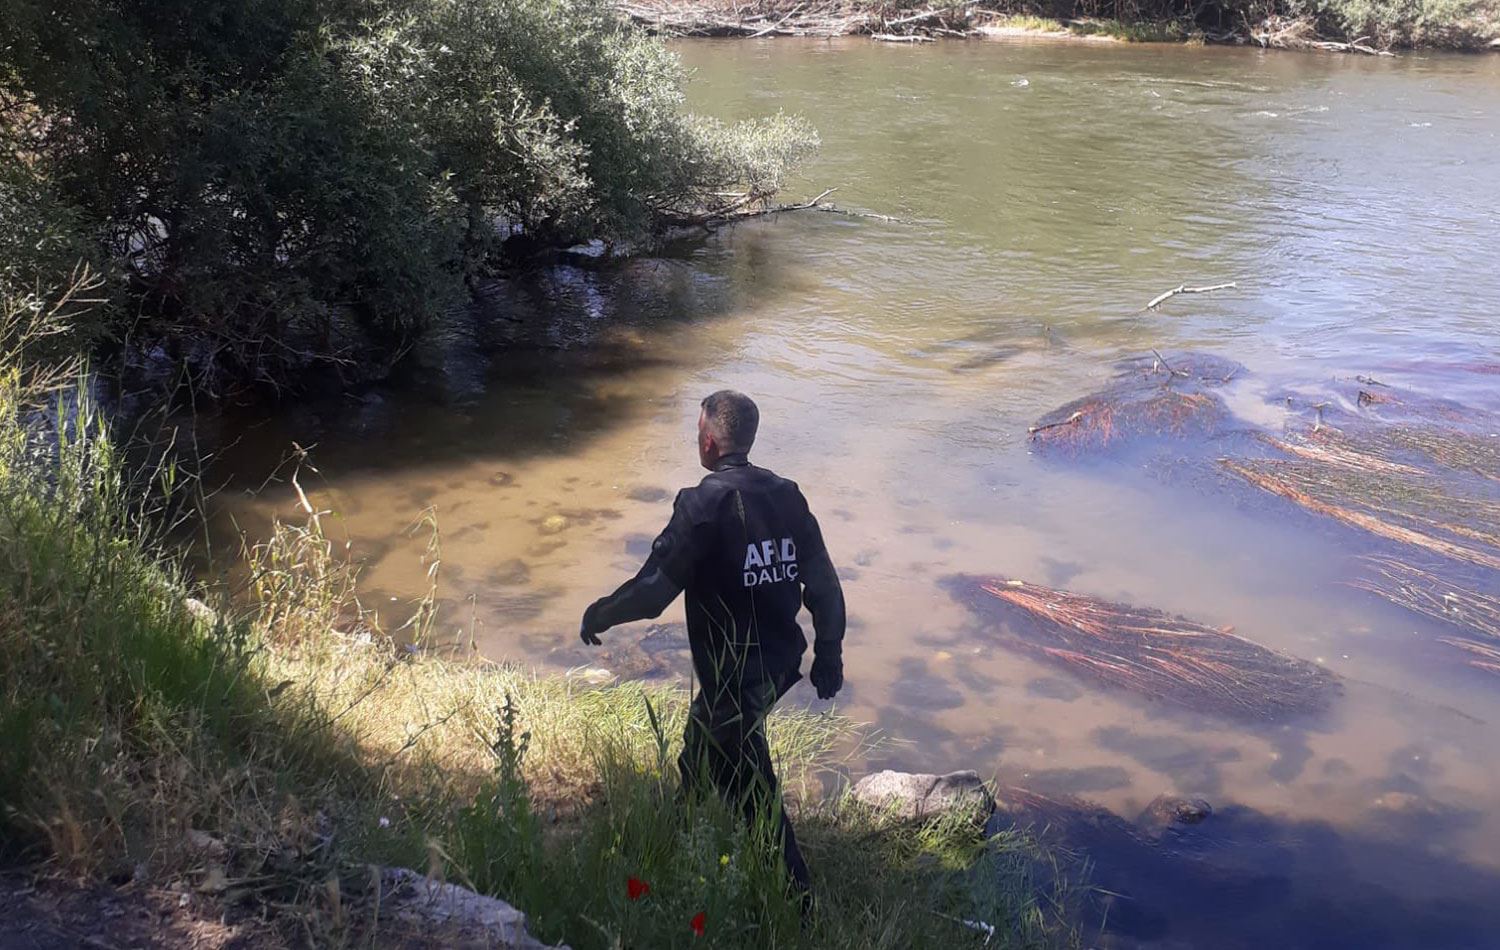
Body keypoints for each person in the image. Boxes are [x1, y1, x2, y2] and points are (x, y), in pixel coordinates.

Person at [578, 389, 846, 899]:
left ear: (707, 441)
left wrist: (602, 613)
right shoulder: (788, 497)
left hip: (734, 675)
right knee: (702, 751)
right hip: (778, 662)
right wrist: (828, 651)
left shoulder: (700, 505)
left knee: (751, 788)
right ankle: (675, 841)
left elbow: (653, 592)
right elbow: (825, 585)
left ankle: (797, 902)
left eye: (697, 431)